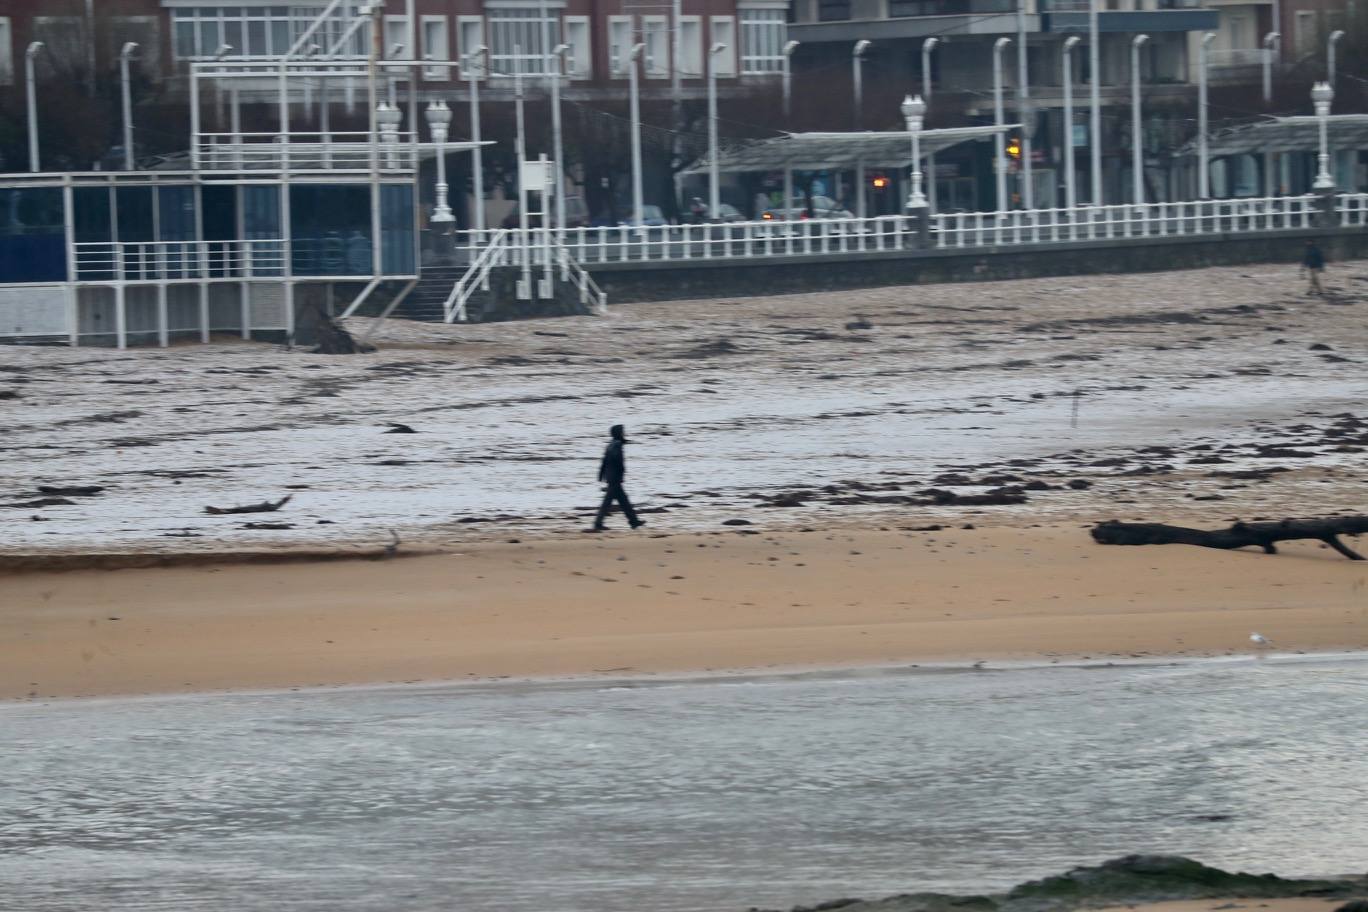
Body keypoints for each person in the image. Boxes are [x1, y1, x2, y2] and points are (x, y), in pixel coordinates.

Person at [590, 424, 644, 532]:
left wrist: (601, 475)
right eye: (622, 431)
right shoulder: (617, 445)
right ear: (618, 433)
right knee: (607, 502)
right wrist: (621, 472)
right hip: (615, 478)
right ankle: (597, 523)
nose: (624, 433)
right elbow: (617, 460)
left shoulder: (611, 444)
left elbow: (604, 462)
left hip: (611, 477)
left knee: (624, 501)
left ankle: (634, 521)